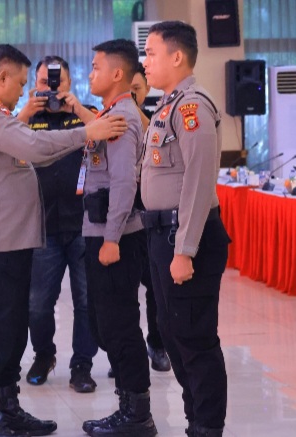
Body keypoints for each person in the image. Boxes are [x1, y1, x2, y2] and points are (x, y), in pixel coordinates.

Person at [0, 44, 127, 437]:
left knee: (12, 329)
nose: (23, 92)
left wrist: (81, 130)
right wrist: (86, 132)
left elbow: (39, 155)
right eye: (20, 83)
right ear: (1, 77)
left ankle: (7, 408)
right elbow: (33, 146)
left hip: (11, 238)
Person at [141, 21, 229, 437]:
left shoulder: (193, 107)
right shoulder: (167, 105)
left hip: (185, 237)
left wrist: (184, 249)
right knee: (172, 332)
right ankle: (196, 420)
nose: (145, 61)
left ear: (177, 57)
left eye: (151, 53)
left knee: (194, 338)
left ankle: (207, 427)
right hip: (162, 235)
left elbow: (198, 181)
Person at [79, 39, 157, 437]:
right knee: (106, 324)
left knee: (121, 325)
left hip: (117, 238)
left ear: (116, 74)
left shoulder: (122, 118)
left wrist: (111, 238)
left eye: (96, 67)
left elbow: (125, 183)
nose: (90, 73)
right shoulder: (109, 114)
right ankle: (127, 406)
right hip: (101, 233)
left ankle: (137, 414)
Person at [15, 56, 99, 393]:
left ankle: (82, 365)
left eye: (58, 81)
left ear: (69, 83)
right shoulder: (27, 119)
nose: (51, 88)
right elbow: (2, 142)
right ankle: (43, 355)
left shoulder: (85, 113)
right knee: (37, 304)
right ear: (34, 84)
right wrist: (25, 111)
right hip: (42, 226)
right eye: (44, 82)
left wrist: (77, 108)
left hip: (83, 224)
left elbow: (108, 134)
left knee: (87, 300)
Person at [131, 62, 172, 373]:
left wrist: (135, 111)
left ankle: (157, 344)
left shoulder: (158, 115)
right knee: (125, 289)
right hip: (124, 218)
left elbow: (155, 137)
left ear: (146, 89)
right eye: (127, 90)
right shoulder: (109, 116)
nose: (132, 95)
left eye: (136, 90)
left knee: (156, 289)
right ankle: (127, 349)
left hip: (153, 217)